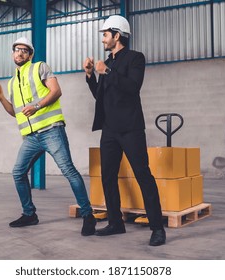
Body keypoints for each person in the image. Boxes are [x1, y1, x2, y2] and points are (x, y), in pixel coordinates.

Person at [0, 37, 96, 236]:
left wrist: (37, 105)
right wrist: (0, 98)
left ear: (30, 55)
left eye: (24, 50)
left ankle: (88, 215)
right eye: (17, 50)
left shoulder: (40, 67)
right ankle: (29, 214)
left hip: (51, 130)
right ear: (13, 54)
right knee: (18, 173)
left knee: (69, 171)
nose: (20, 53)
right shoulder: (13, 82)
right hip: (31, 138)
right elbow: (15, 112)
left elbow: (56, 91)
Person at [83, 15, 166, 246]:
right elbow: (100, 95)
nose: (103, 40)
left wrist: (106, 72)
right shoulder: (106, 63)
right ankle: (115, 222)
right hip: (109, 130)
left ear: (117, 35)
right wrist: (91, 75)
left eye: (105, 35)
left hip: (130, 128)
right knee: (108, 176)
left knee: (143, 176)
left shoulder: (135, 58)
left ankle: (157, 228)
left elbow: (133, 87)